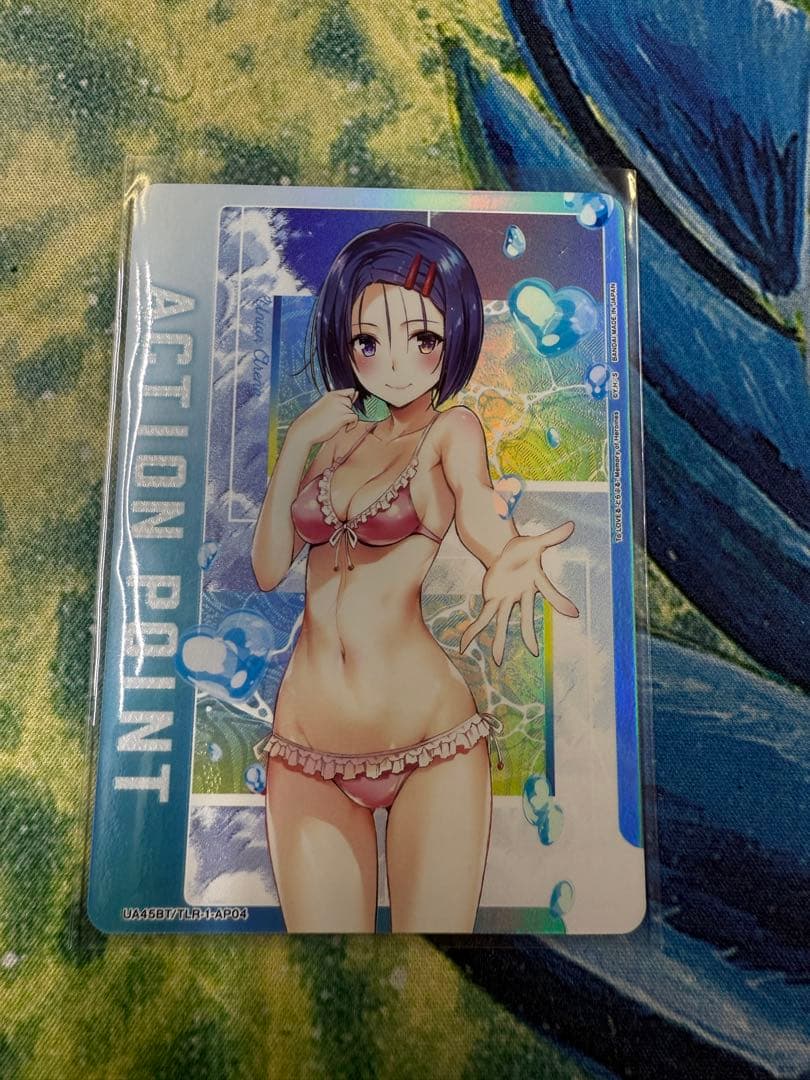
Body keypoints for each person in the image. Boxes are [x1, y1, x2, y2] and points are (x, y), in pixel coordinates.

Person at [252, 221, 578, 932]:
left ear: (454, 338)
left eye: (423, 339)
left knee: (435, 965)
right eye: (369, 342)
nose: (395, 365)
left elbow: (480, 513)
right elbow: (270, 568)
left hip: (431, 741)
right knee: (329, 969)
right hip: (305, 743)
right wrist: (299, 441)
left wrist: (508, 552)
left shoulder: (450, 432)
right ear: (344, 342)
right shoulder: (332, 438)